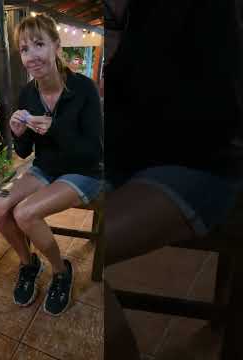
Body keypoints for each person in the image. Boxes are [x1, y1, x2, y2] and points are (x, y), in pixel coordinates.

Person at [103, 0, 243, 358]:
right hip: (128, 160)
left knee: (80, 252)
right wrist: (114, 20)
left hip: (199, 163)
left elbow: (208, 107)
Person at [0, 14, 103, 316]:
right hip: (46, 168)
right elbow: (26, 150)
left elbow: (94, 152)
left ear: (56, 45)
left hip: (84, 172)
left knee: (25, 213)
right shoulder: (28, 93)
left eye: (39, 44)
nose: (31, 56)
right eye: (25, 49)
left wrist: (54, 128)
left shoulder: (84, 90)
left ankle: (60, 270)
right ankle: (29, 264)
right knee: (0, 208)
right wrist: (18, 134)